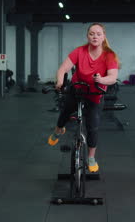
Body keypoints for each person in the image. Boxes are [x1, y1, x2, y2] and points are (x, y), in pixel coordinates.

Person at [47, 23, 119, 173]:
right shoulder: (79, 51)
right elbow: (63, 68)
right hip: (77, 89)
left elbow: (113, 77)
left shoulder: (109, 55)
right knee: (65, 113)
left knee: (93, 127)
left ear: (103, 37)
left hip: (95, 93)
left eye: (98, 34)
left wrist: (101, 80)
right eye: (92, 33)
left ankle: (91, 157)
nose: (95, 36)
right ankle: (59, 130)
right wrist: (60, 81)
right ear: (87, 36)